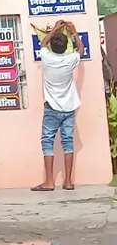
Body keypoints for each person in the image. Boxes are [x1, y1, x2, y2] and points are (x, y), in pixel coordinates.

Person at [31, 19, 85, 192]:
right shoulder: (70, 60)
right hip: (69, 108)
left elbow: (44, 42)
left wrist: (55, 28)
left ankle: (49, 182)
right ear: (66, 46)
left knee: (47, 142)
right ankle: (68, 181)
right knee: (68, 143)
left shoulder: (46, 58)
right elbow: (81, 50)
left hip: (51, 109)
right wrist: (74, 31)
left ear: (52, 47)